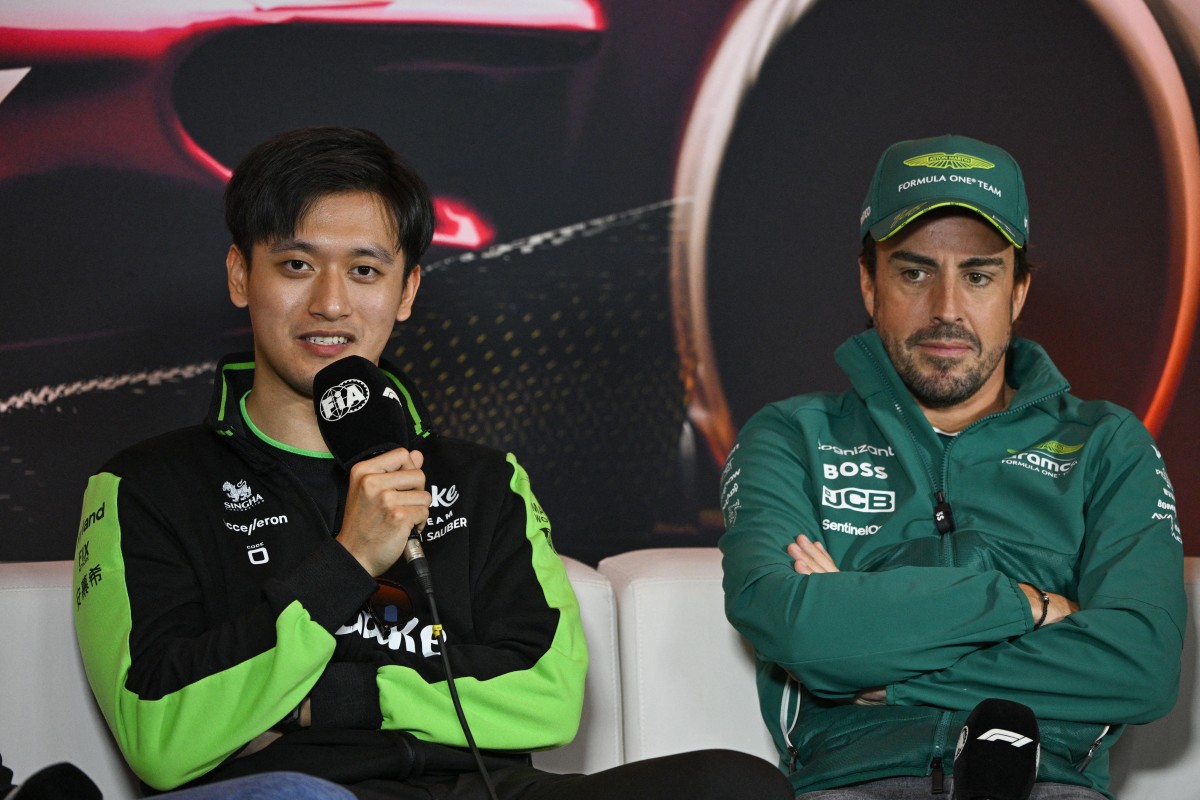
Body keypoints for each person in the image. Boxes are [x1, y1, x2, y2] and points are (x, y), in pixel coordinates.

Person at [73, 127, 790, 800]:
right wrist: (350, 560)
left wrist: (334, 700)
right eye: (296, 265)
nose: (329, 303)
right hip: (310, 791)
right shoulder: (145, 486)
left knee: (734, 784)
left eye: (364, 270)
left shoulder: (482, 479)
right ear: (241, 275)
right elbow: (160, 733)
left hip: (484, 789)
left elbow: (547, 699)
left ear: (406, 291)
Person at [718, 134, 1186, 799]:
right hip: (850, 781)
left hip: (1041, 781)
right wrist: (1030, 605)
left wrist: (887, 667)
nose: (945, 308)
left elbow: (1140, 663)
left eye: (978, 275)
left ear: (1018, 290)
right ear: (868, 284)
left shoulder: (1108, 443)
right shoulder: (791, 434)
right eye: (913, 272)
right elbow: (794, 624)